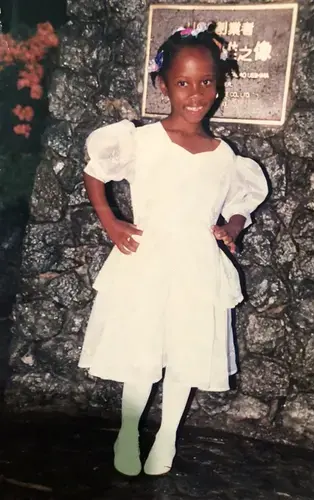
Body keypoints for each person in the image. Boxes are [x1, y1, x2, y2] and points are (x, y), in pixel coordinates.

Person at [78, 22, 268, 477]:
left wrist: (233, 226)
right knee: (142, 356)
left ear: (218, 86)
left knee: (187, 355)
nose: (195, 93)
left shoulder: (225, 155)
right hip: (147, 262)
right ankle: (128, 431)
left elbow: (241, 201)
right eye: (183, 83)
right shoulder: (140, 141)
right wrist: (110, 220)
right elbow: (95, 172)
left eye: (206, 82)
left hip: (197, 267)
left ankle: (166, 437)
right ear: (163, 85)